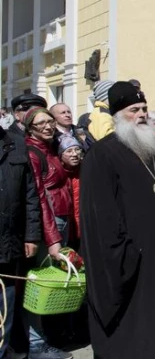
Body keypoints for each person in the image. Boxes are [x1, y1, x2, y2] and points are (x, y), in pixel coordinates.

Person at [80, 82, 155, 358]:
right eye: (133, 109)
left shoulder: (153, 152)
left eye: (144, 109)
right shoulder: (101, 156)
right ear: (116, 115)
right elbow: (100, 219)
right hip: (132, 262)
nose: (141, 115)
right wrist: (126, 255)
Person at [23, 107, 74, 359]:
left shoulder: (52, 147)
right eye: (41, 123)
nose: (48, 126)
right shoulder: (32, 153)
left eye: (50, 121)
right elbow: (39, 197)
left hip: (61, 220)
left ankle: (48, 337)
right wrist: (52, 237)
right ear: (30, 128)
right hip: (49, 224)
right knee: (41, 284)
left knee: (55, 283)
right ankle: (35, 343)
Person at [0, 121, 41, 359]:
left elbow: (30, 194)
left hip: (8, 241)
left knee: (5, 307)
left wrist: (32, 234)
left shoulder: (14, 143)